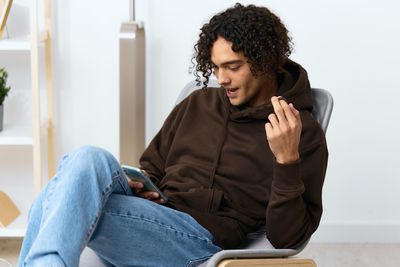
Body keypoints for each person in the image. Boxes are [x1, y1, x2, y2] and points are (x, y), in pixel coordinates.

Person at [18, 3, 328, 267]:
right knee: (87, 158)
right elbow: (152, 165)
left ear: (266, 60)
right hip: (157, 213)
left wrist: (287, 160)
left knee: (59, 199)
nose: (221, 79)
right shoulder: (198, 102)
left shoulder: (297, 129)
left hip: (202, 240)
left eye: (232, 67)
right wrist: (143, 187)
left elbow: (289, 239)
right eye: (216, 67)